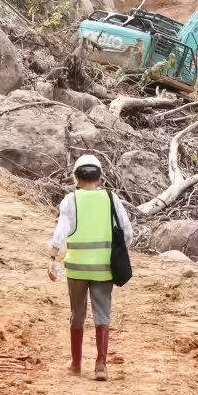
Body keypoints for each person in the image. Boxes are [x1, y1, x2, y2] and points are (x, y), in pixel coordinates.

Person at [48, 154, 132, 381]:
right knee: (102, 314)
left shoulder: (70, 200)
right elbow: (127, 232)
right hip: (104, 268)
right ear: (99, 177)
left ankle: (76, 364)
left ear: (76, 177)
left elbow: (60, 233)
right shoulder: (111, 199)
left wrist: (52, 258)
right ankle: (101, 366)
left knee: (77, 314)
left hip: (76, 269)